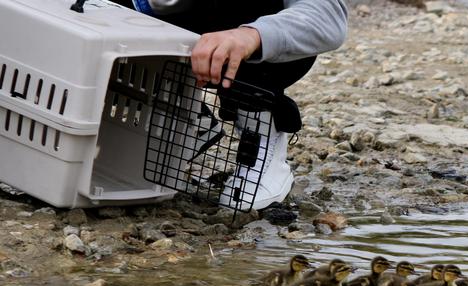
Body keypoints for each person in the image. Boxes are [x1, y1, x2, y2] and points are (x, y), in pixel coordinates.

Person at [116, 0, 348, 209]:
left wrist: (251, 36)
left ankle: (260, 131)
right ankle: (189, 118)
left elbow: (326, 16)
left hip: (246, 33)